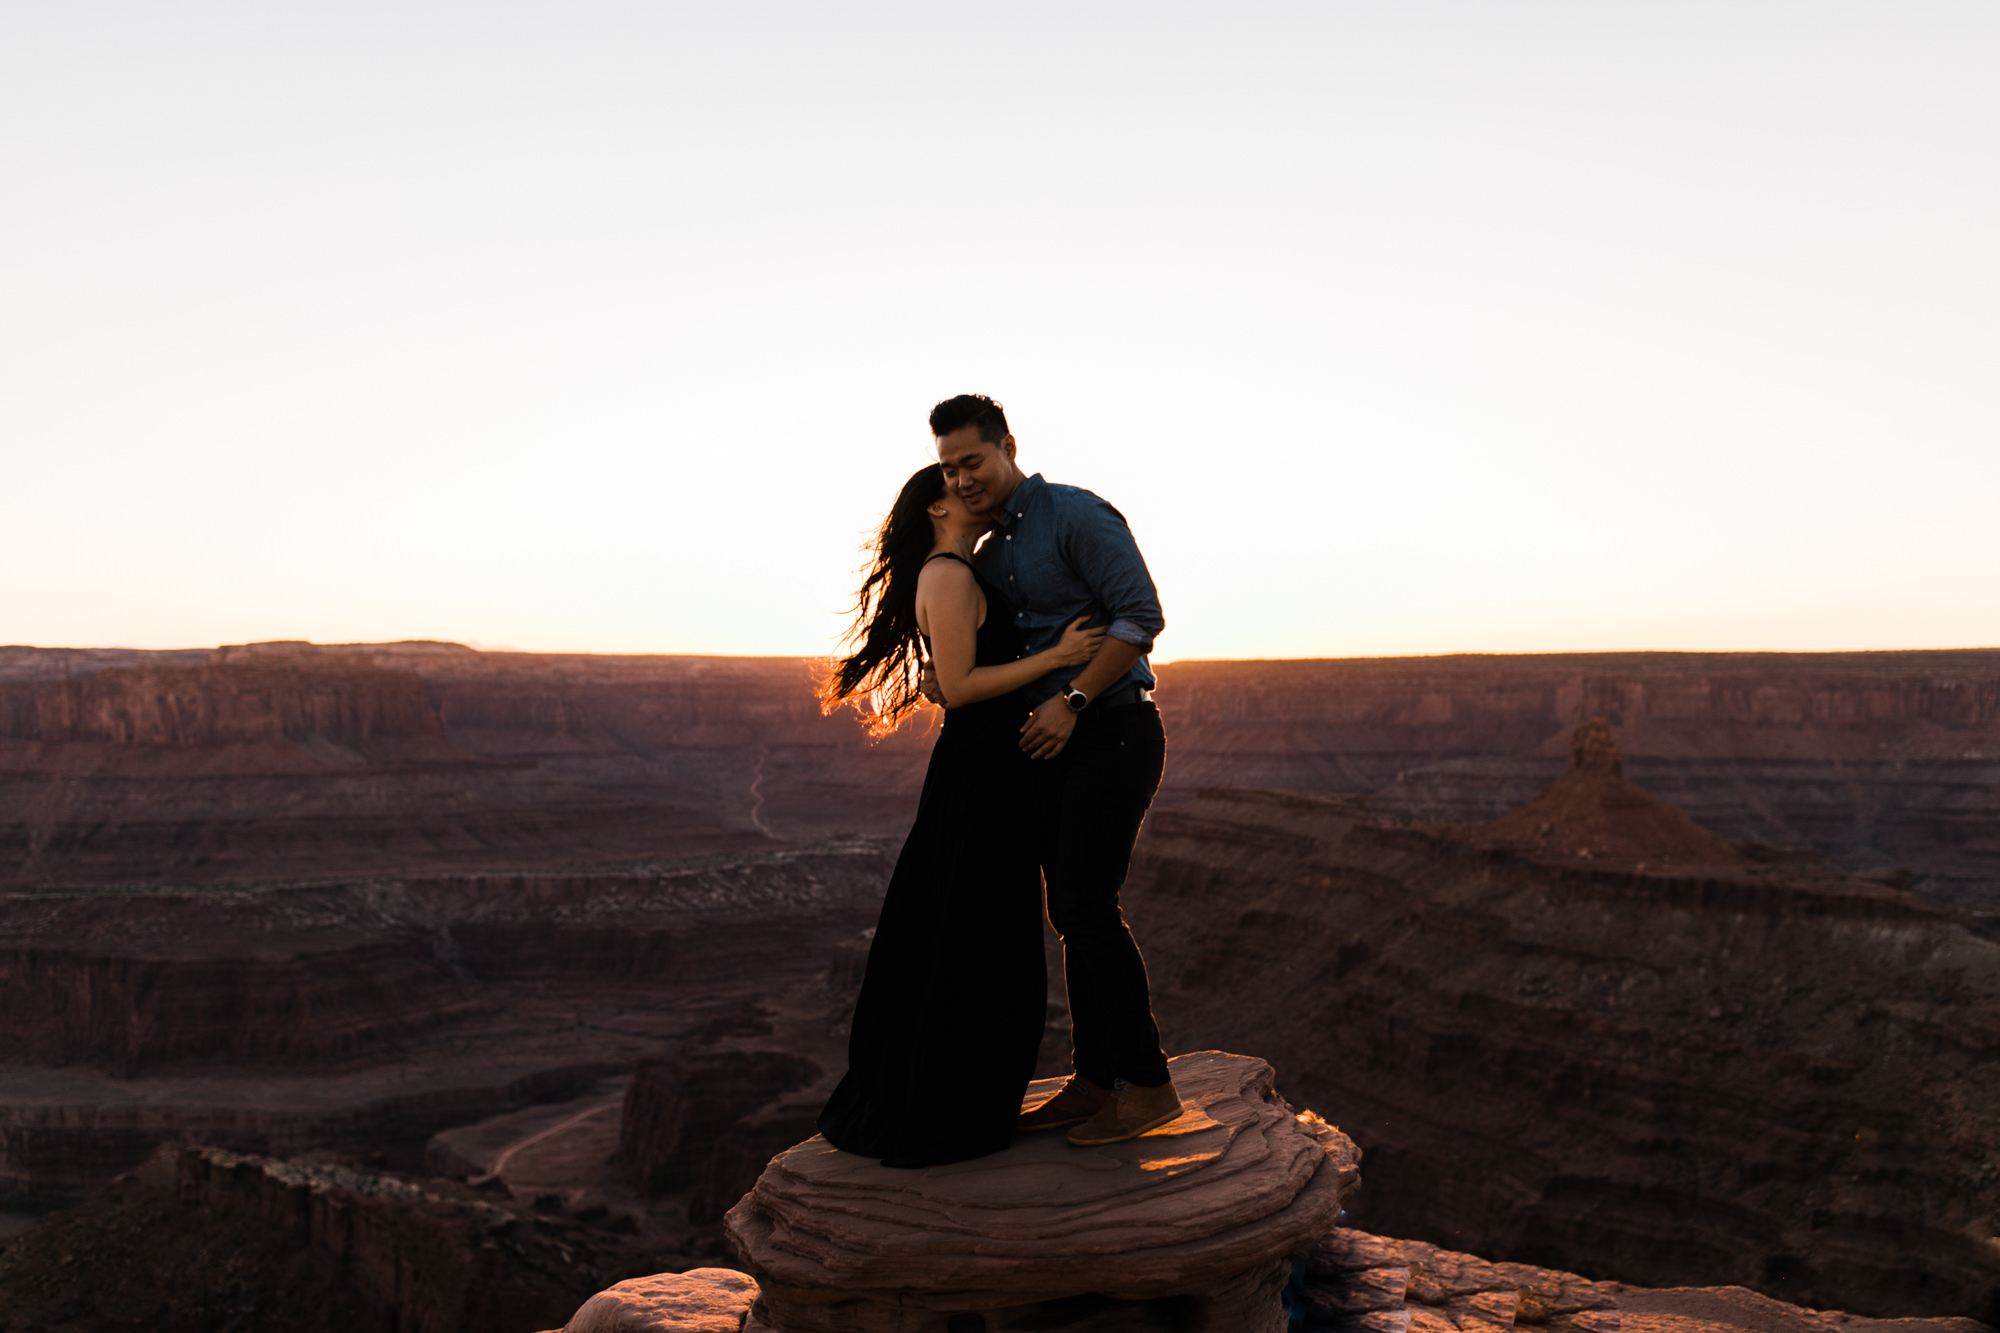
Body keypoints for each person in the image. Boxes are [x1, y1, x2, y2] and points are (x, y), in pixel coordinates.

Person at [815, 463, 1107, 1168]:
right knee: (973, 933)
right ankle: (945, 1109)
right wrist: (1067, 654)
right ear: (938, 507)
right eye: (960, 488)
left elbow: (953, 678)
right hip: (981, 775)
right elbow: (968, 684)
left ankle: (956, 1098)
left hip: (990, 771)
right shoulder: (947, 572)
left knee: (970, 929)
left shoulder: (959, 570)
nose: (977, 495)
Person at [928, 393, 1181, 1147]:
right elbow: (998, 656)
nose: (962, 478)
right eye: (948, 467)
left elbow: (1141, 618)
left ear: (1007, 444)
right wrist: (945, 680)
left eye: (972, 460)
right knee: (1068, 914)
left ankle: (1149, 1085)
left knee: (1086, 905)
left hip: (1113, 729)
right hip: (1048, 746)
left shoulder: (1075, 514)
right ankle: (1094, 1080)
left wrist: (1071, 697)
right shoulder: (990, 552)